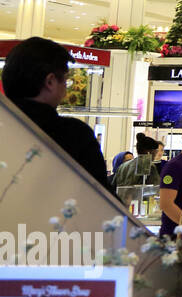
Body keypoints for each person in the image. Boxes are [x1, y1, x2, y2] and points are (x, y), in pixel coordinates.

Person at [1, 37, 110, 190]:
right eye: (65, 81)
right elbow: (103, 200)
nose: (66, 89)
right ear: (50, 82)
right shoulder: (75, 135)